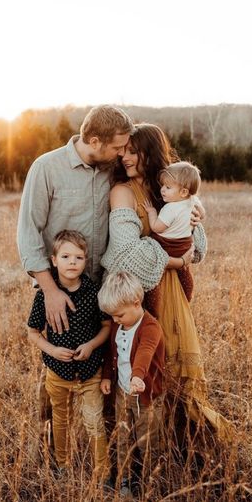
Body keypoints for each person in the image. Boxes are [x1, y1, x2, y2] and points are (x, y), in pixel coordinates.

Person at [101, 124, 233, 452]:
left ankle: (182, 448)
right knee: (143, 367)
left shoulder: (172, 189)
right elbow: (127, 252)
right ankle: (139, 454)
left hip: (173, 292)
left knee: (178, 369)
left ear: (150, 153)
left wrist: (196, 219)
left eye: (133, 151)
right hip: (140, 295)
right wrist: (174, 261)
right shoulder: (123, 192)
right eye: (124, 151)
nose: (125, 157)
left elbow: (195, 249)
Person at [17, 104, 135, 334]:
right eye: (116, 147)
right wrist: (51, 292)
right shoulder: (46, 168)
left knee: (106, 364)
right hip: (63, 290)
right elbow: (28, 233)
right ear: (94, 141)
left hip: (107, 287)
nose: (121, 153)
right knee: (64, 362)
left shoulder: (112, 167)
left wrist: (190, 207)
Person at [26, 230, 111, 478]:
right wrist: (53, 350)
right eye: (65, 256)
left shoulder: (93, 292)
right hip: (58, 371)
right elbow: (33, 332)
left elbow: (106, 327)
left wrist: (91, 346)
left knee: (94, 421)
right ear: (54, 260)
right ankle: (62, 466)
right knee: (61, 420)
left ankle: (103, 473)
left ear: (86, 261)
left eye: (78, 257)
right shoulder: (45, 295)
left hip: (90, 371)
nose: (72, 262)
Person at [98, 271, 165, 497]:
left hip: (147, 396)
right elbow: (111, 352)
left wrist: (138, 376)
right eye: (113, 316)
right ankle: (125, 479)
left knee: (148, 440)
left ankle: (150, 482)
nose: (115, 320)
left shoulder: (150, 327)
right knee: (123, 435)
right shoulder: (118, 326)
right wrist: (107, 375)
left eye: (119, 315)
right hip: (122, 392)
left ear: (136, 303)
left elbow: (145, 352)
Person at [142, 161, 204, 316]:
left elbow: (157, 227)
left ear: (183, 192)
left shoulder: (169, 209)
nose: (162, 190)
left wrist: (151, 213)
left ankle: (152, 306)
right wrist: (199, 215)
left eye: (168, 187)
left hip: (165, 246)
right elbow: (202, 213)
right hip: (183, 246)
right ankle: (187, 293)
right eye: (163, 185)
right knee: (184, 273)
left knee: (155, 277)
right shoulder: (192, 200)